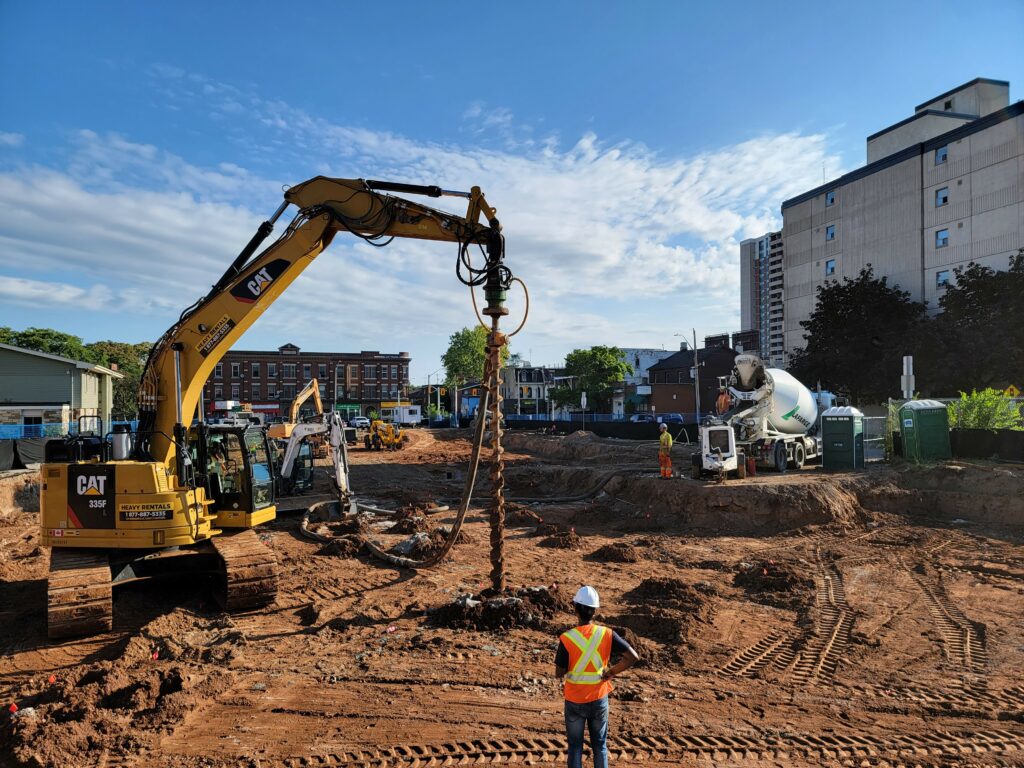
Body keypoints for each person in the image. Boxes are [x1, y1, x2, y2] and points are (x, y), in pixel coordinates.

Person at [555, 586, 639, 768]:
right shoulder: (607, 634)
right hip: (599, 697)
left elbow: (559, 673)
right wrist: (610, 673)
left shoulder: (567, 638)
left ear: (576, 608)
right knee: (600, 745)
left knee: (575, 747)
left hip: (575, 699)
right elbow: (632, 657)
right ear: (594, 610)